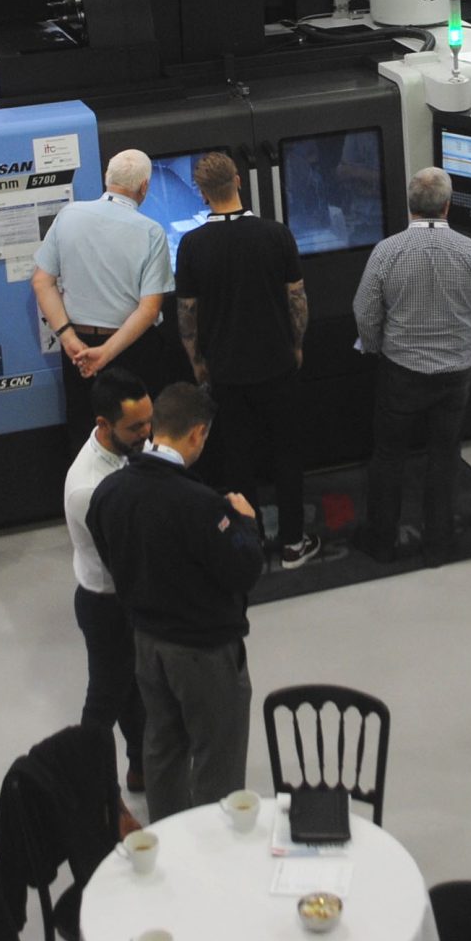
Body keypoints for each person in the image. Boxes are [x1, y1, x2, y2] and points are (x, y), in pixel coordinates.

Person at [85, 381, 264, 824]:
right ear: (198, 433)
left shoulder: (108, 493)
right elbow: (244, 571)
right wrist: (245, 524)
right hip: (204, 651)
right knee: (217, 756)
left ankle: (168, 837)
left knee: (162, 746)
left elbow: (109, 556)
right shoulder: (202, 505)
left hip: (146, 645)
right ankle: (214, 844)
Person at [353, 167, 471, 566]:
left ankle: (382, 543)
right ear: (448, 205)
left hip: (401, 370)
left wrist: (375, 347)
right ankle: (438, 544)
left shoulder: (387, 252)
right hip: (455, 374)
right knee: (444, 455)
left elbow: (364, 311)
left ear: (410, 205)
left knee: (389, 455)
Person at [176, 152, 316, 568]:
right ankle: (293, 543)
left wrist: (197, 361)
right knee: (287, 454)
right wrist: (296, 344)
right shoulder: (276, 235)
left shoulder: (193, 245)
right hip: (277, 364)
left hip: (226, 370)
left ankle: (249, 541)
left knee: (238, 460)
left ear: (202, 194)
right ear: (239, 180)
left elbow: (187, 313)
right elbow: (297, 299)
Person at [33, 149, 175, 447]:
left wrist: (68, 338)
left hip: (78, 350)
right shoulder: (151, 232)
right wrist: (106, 354)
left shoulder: (68, 215)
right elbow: (149, 309)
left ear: (107, 178)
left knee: (85, 436)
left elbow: (42, 282)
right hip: (132, 350)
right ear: (144, 186)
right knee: (137, 436)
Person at [66, 368, 155, 801]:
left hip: (125, 595)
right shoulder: (88, 489)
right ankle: (98, 799)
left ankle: (141, 768)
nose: (147, 435)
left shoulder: (132, 446)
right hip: (106, 605)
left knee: (134, 690)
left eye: (149, 422)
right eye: (135, 428)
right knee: (104, 702)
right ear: (103, 424)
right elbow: (127, 563)